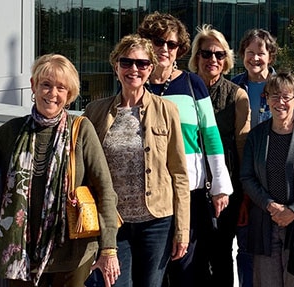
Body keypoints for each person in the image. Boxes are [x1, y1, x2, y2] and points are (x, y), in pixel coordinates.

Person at [0, 54, 120, 287]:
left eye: (61, 88)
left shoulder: (81, 130)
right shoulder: (13, 131)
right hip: (21, 253)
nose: (52, 94)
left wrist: (108, 249)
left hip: (72, 254)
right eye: (46, 85)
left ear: (69, 95)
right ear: (34, 86)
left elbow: (104, 189)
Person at [83, 34, 190, 287]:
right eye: (127, 62)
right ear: (116, 67)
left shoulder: (167, 110)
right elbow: (85, 168)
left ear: (150, 69)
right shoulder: (95, 111)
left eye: (142, 64)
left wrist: (182, 230)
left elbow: (180, 174)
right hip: (113, 223)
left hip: (157, 222)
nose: (134, 69)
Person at [136, 12, 234, 287]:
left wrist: (219, 186)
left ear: (180, 49)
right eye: (157, 42)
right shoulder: (135, 81)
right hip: (147, 192)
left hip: (189, 192)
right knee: (153, 272)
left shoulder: (193, 84)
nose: (164, 49)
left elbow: (211, 136)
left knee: (188, 271)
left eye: (172, 44)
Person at [240, 72, 294, 287]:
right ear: (267, 99)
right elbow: (247, 176)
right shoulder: (257, 135)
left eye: (286, 97)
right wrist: (270, 205)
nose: (280, 102)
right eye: (274, 96)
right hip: (265, 224)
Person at [188, 24, 251, 286]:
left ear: (225, 60)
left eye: (219, 55)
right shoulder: (183, 90)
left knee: (222, 253)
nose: (212, 59)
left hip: (225, 189)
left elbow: (242, 147)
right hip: (189, 188)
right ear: (196, 57)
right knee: (192, 255)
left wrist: (244, 194)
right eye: (206, 53)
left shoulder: (236, 95)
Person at [231, 28, 278, 287]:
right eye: (250, 53)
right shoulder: (234, 87)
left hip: (274, 180)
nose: (255, 59)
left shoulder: (281, 86)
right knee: (245, 246)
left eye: (261, 53)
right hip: (240, 179)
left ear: (270, 56)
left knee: (274, 248)